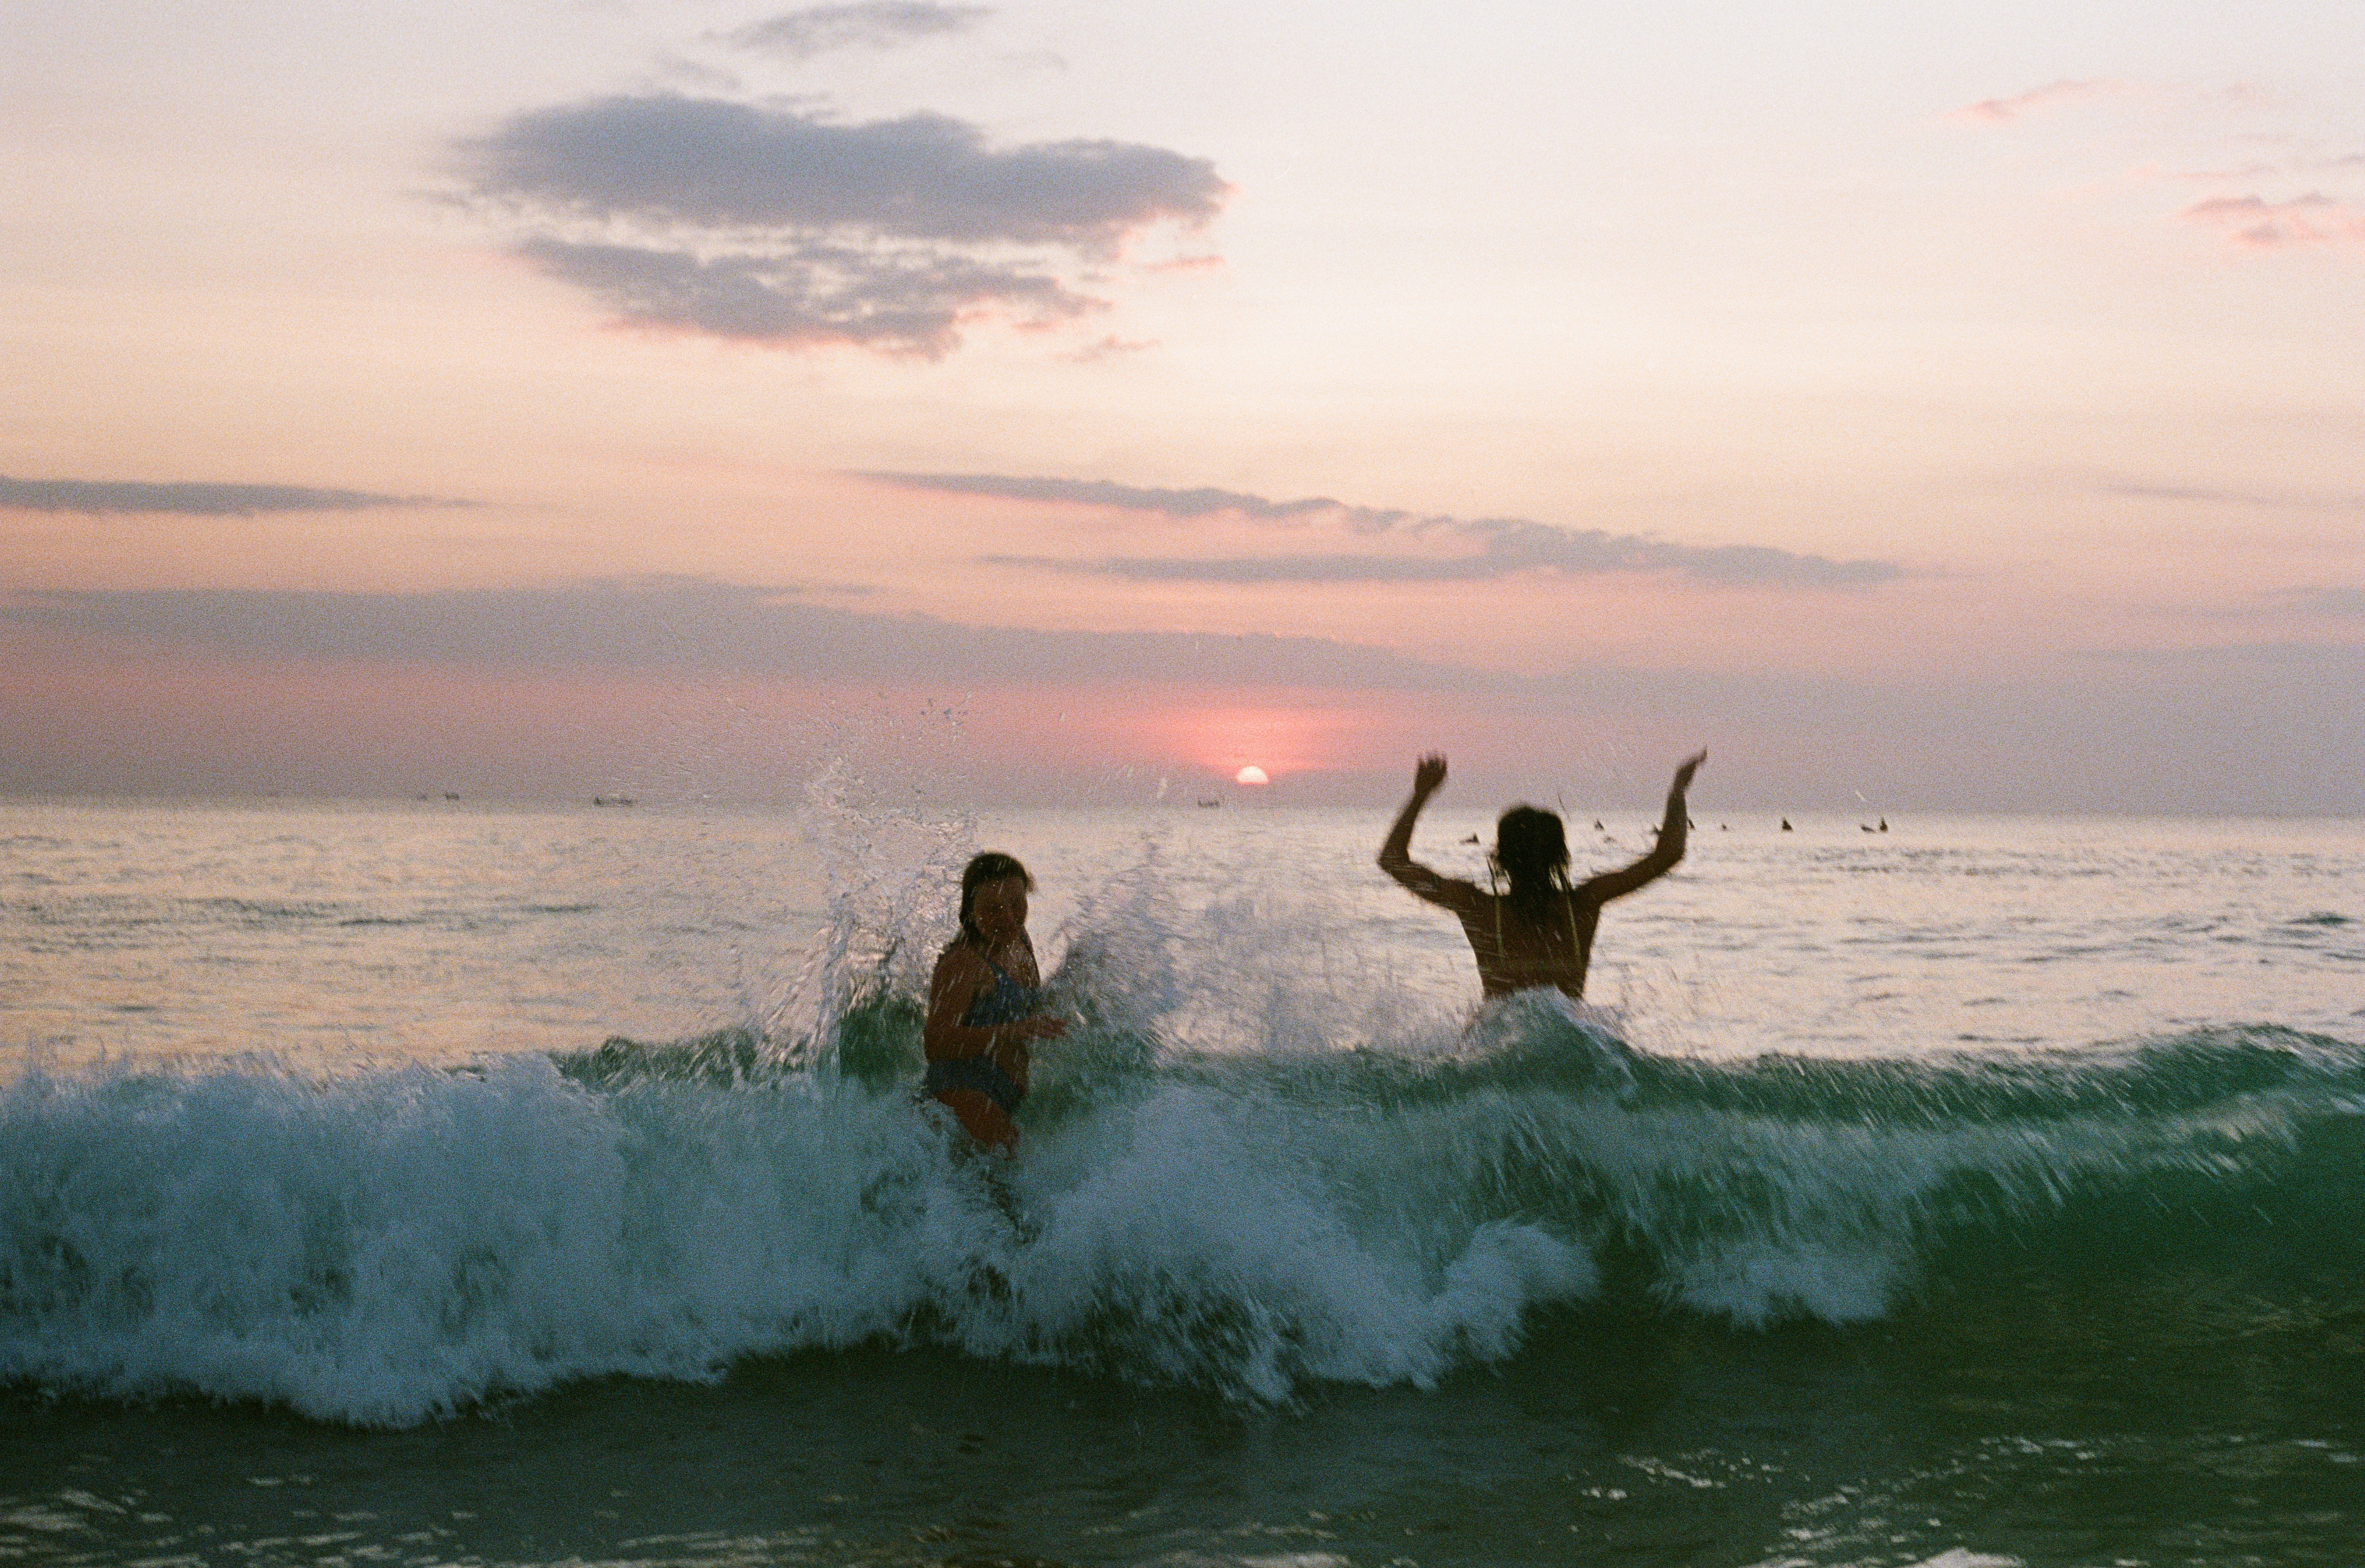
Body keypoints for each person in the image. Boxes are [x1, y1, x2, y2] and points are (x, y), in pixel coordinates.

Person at [1378, 751, 1706, 1001]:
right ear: (1561, 857)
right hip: (1566, 1047)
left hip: (1497, 1050)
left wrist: (1421, 794)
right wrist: (1677, 791)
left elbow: (1393, 859)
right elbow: (1669, 854)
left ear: (1500, 857)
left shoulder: (1479, 908)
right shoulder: (1583, 905)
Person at [924, 852, 1069, 1153]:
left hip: (1005, 1094)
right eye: (993, 910)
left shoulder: (1019, 939)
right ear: (970, 911)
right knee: (1003, 1194)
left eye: (1018, 905)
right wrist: (1012, 1031)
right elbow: (935, 1043)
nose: (1009, 918)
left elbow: (1030, 1009)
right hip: (967, 1093)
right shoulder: (963, 962)